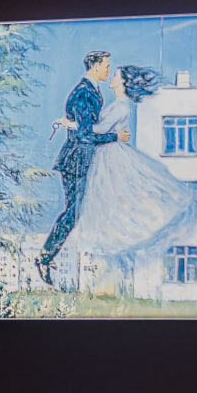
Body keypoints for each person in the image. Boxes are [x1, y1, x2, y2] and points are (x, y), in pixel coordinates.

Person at [56, 65, 196, 259]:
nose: (111, 77)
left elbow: (100, 128)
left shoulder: (121, 106)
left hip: (109, 155)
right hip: (104, 152)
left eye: (116, 75)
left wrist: (71, 124)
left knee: (112, 198)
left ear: (123, 82)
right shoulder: (117, 104)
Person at [35, 51, 129, 284]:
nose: (108, 70)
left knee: (76, 211)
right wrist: (115, 137)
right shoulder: (84, 93)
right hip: (76, 159)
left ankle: (46, 256)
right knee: (74, 211)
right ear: (95, 66)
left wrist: (71, 124)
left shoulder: (92, 91)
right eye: (106, 66)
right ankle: (45, 257)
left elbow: (85, 128)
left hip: (82, 158)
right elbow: (86, 135)